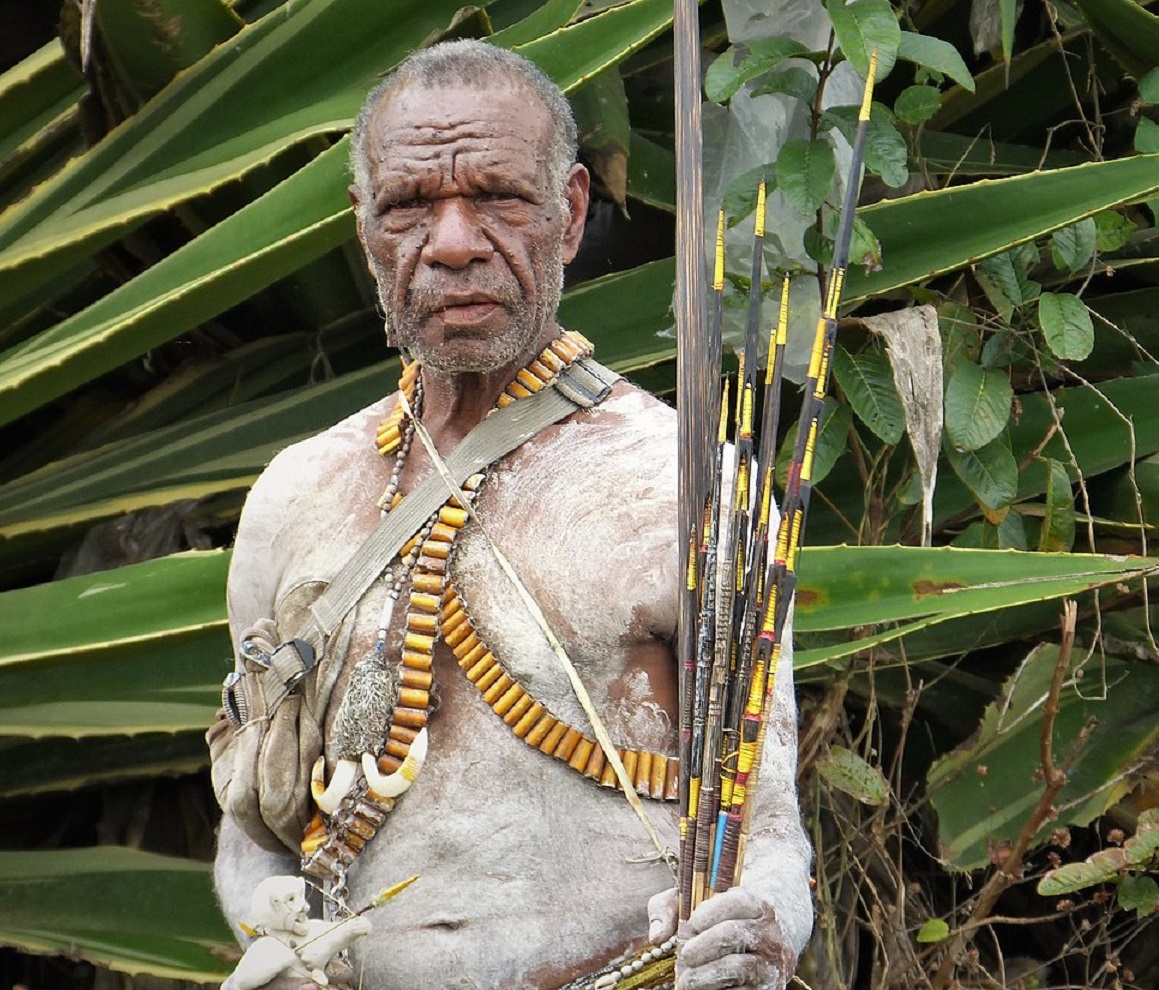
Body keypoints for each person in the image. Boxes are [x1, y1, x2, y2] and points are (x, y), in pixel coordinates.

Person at [210, 39, 812, 990]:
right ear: (365, 227)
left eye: (497, 196)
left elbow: (768, 833)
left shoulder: (683, 482)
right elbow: (252, 843)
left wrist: (756, 934)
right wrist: (269, 936)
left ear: (570, 213)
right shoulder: (295, 496)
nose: (452, 243)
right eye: (410, 206)